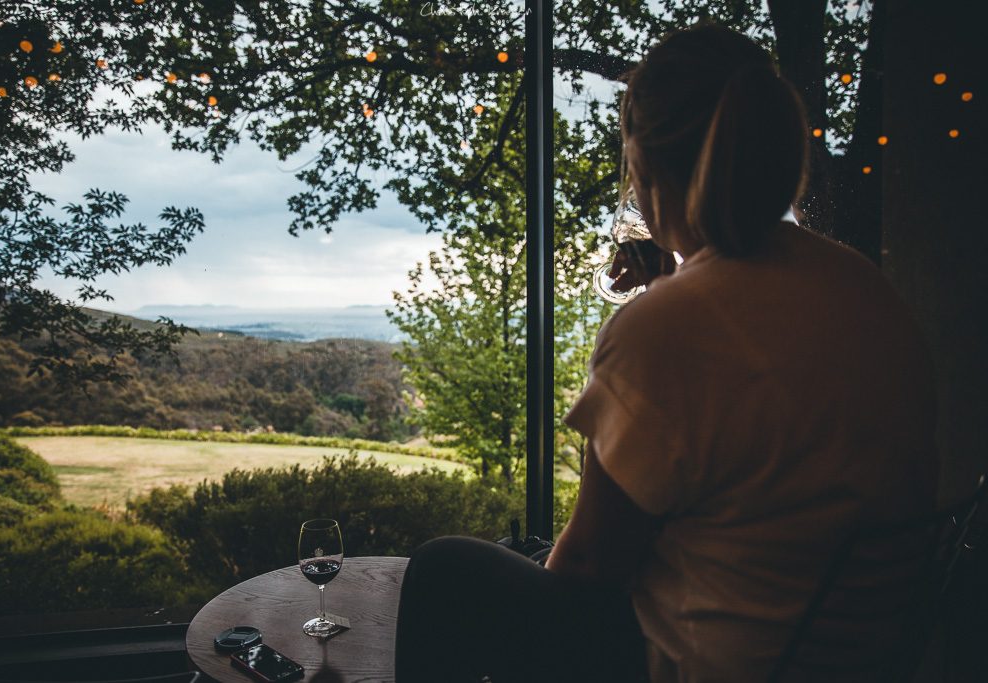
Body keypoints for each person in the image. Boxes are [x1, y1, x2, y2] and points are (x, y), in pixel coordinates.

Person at [395, 22, 938, 683]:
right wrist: (671, 278)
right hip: (859, 653)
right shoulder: (863, 287)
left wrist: (663, 297)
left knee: (444, 568)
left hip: (718, 663)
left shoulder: (667, 326)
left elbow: (590, 566)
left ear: (645, 167)